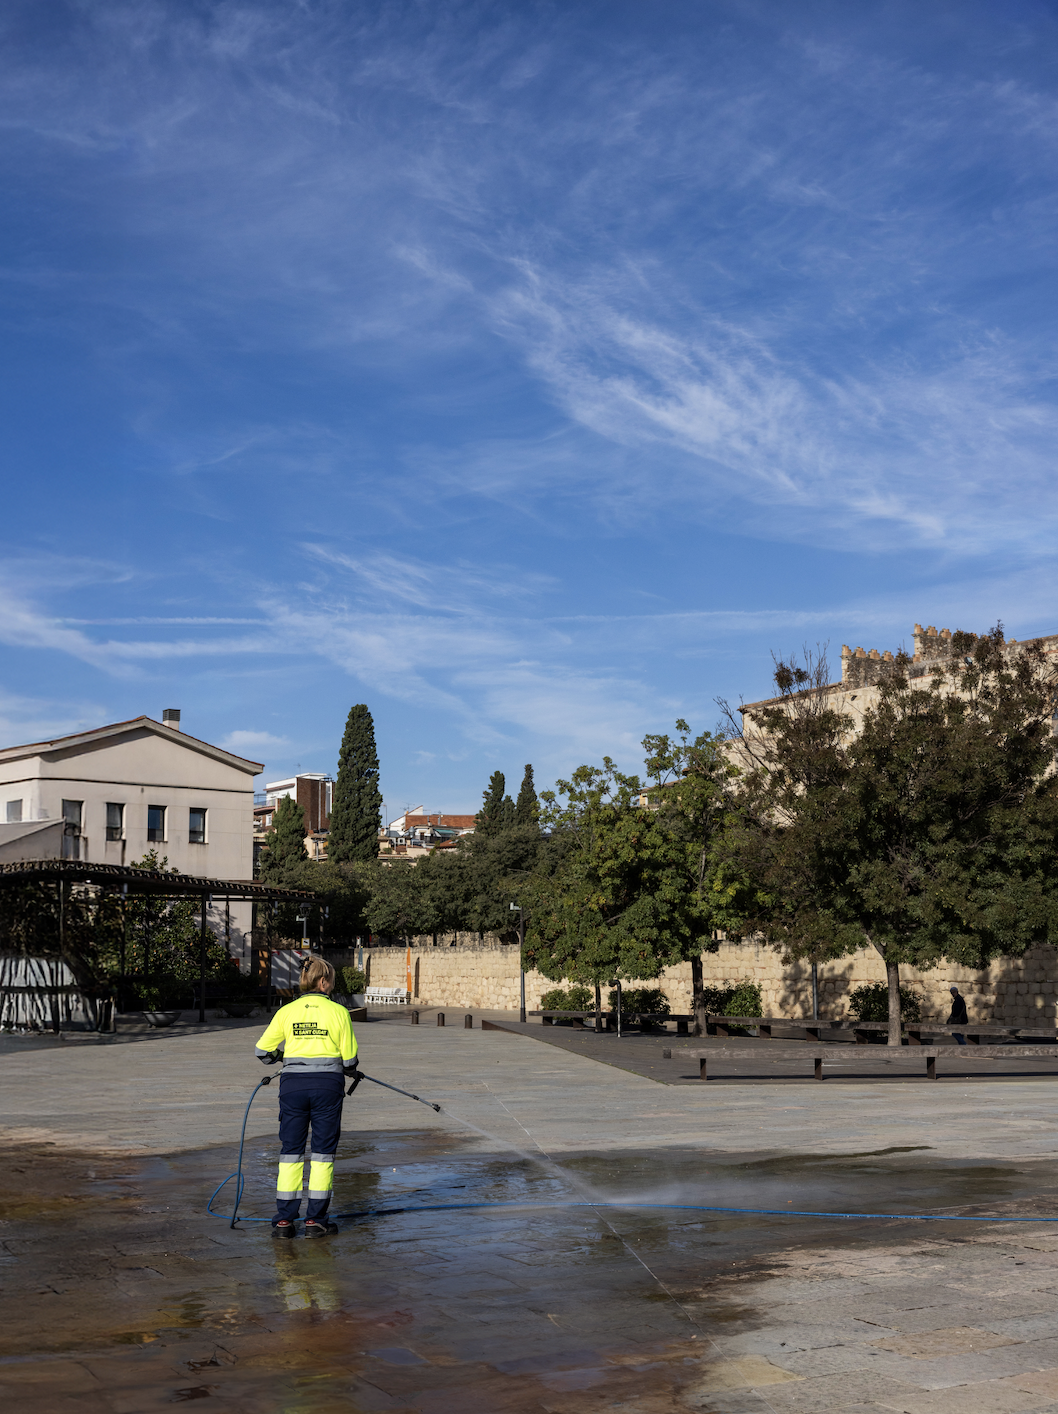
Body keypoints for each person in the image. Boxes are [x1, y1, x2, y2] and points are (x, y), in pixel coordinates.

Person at [254, 956, 359, 1238]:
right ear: (323, 981)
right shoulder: (339, 1012)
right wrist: (347, 1068)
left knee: (291, 1152)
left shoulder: (286, 1011)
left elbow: (262, 1051)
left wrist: (283, 1058)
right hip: (327, 1088)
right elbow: (349, 1060)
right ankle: (315, 1221)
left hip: (293, 1088)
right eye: (332, 981)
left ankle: (284, 1221)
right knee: (323, 1154)